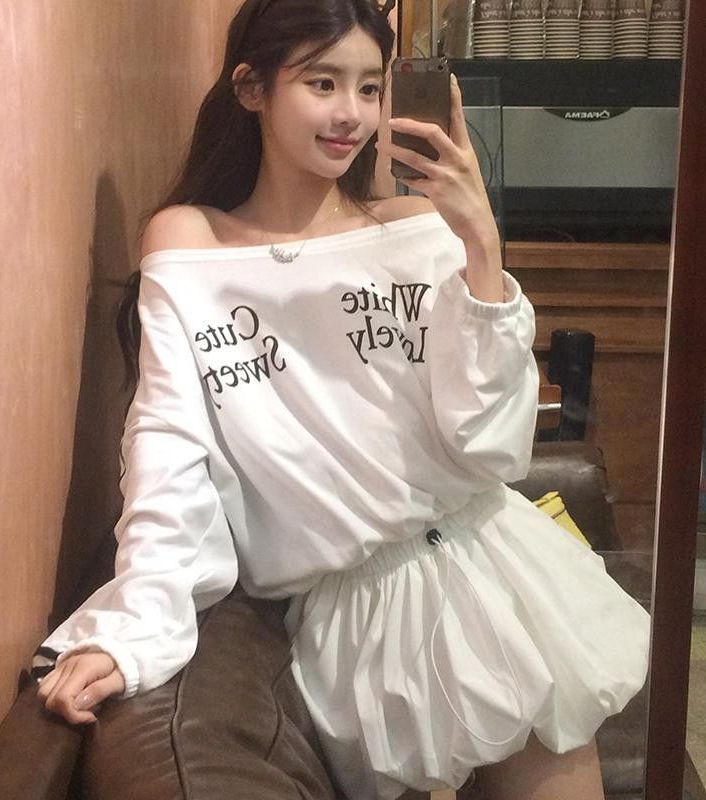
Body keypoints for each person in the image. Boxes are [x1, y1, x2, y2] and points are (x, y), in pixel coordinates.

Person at [34, 1, 650, 798]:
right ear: (251, 88)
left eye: (369, 86)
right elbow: (169, 445)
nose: (351, 114)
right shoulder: (192, 245)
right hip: (359, 616)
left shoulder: (415, 226)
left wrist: (480, 244)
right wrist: (134, 630)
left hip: (495, 567)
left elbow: (492, 445)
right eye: (322, 83)